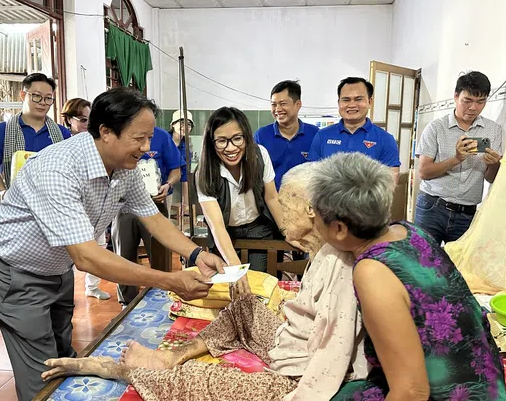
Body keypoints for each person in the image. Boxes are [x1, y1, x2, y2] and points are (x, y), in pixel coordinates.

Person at [0, 87, 226, 401]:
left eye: (150, 138)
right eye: (139, 138)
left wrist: (195, 252)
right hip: (16, 275)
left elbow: (153, 218)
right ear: (106, 131)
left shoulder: (124, 167)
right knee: (43, 372)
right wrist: (168, 281)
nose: (147, 148)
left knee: (66, 358)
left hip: (56, 270)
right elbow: (87, 257)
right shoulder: (59, 169)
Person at [41, 162, 366, 401]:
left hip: (299, 379)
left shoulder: (343, 267)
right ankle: (172, 355)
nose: (279, 207)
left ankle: (119, 370)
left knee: (200, 381)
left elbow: (331, 361)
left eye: (286, 202)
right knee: (245, 308)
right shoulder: (321, 250)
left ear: (311, 211)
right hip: (293, 348)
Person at [307, 152, 506, 401]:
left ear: (339, 228)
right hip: (485, 378)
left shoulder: (372, 271)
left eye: (313, 213)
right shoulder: (409, 229)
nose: (312, 221)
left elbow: (412, 392)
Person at [415, 71, 503, 245]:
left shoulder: (493, 130)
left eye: (481, 102)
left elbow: (491, 178)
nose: (473, 108)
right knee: (423, 261)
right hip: (432, 207)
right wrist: (456, 158)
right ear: (456, 96)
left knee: (458, 267)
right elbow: (424, 172)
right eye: (467, 100)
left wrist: (494, 165)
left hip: (467, 213)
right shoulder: (436, 128)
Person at [196, 107, 284, 277]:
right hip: (225, 233)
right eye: (221, 141)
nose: (230, 148)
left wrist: (287, 232)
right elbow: (217, 226)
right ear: (211, 142)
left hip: (258, 229)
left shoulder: (259, 155)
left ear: (246, 136)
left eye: (237, 139)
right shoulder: (205, 171)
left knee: (258, 280)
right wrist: (236, 269)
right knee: (230, 282)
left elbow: (272, 197)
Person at [112, 124, 184, 307]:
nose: (144, 145)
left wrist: (167, 184)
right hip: (122, 206)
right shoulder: (117, 134)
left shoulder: (161, 137)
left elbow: (176, 169)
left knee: (160, 254)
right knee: (123, 255)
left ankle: (162, 300)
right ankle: (127, 304)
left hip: (154, 205)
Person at [0, 73, 71, 193]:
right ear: (23, 95)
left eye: (48, 98)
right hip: (15, 202)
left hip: (53, 202)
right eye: (36, 96)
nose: (42, 102)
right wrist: (4, 191)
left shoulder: (62, 134)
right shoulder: (1, 131)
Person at [61, 98, 111, 301]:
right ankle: (66, 292)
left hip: (94, 207)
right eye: (82, 120)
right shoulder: (62, 145)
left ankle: (92, 286)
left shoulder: (98, 146)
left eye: (89, 120)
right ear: (68, 120)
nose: (86, 125)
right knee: (69, 253)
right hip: (68, 208)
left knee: (99, 247)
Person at [307, 77, 400, 177]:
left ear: (370, 102)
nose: (352, 105)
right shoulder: (322, 136)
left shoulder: (386, 139)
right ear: (339, 103)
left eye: (358, 99)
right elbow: (311, 175)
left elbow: (390, 182)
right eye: (346, 100)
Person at [254, 80, 319, 191]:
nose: (278, 109)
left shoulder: (315, 134)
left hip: (304, 203)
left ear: (298, 104)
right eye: (274, 105)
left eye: (283, 104)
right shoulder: (261, 136)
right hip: (270, 202)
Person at [169, 109, 194, 214]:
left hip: (168, 188)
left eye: (189, 124)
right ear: (173, 125)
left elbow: (185, 176)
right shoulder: (164, 140)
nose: (185, 126)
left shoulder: (186, 148)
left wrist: (185, 202)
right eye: (182, 122)